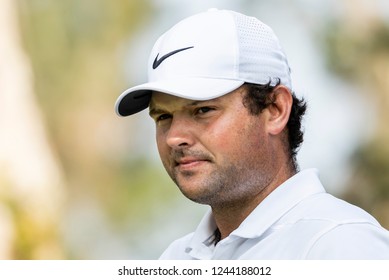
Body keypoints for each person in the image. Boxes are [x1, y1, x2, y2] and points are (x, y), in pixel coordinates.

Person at [115, 9, 389, 259]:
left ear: (275, 109)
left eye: (203, 110)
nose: (174, 137)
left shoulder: (340, 243)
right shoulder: (176, 258)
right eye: (163, 116)